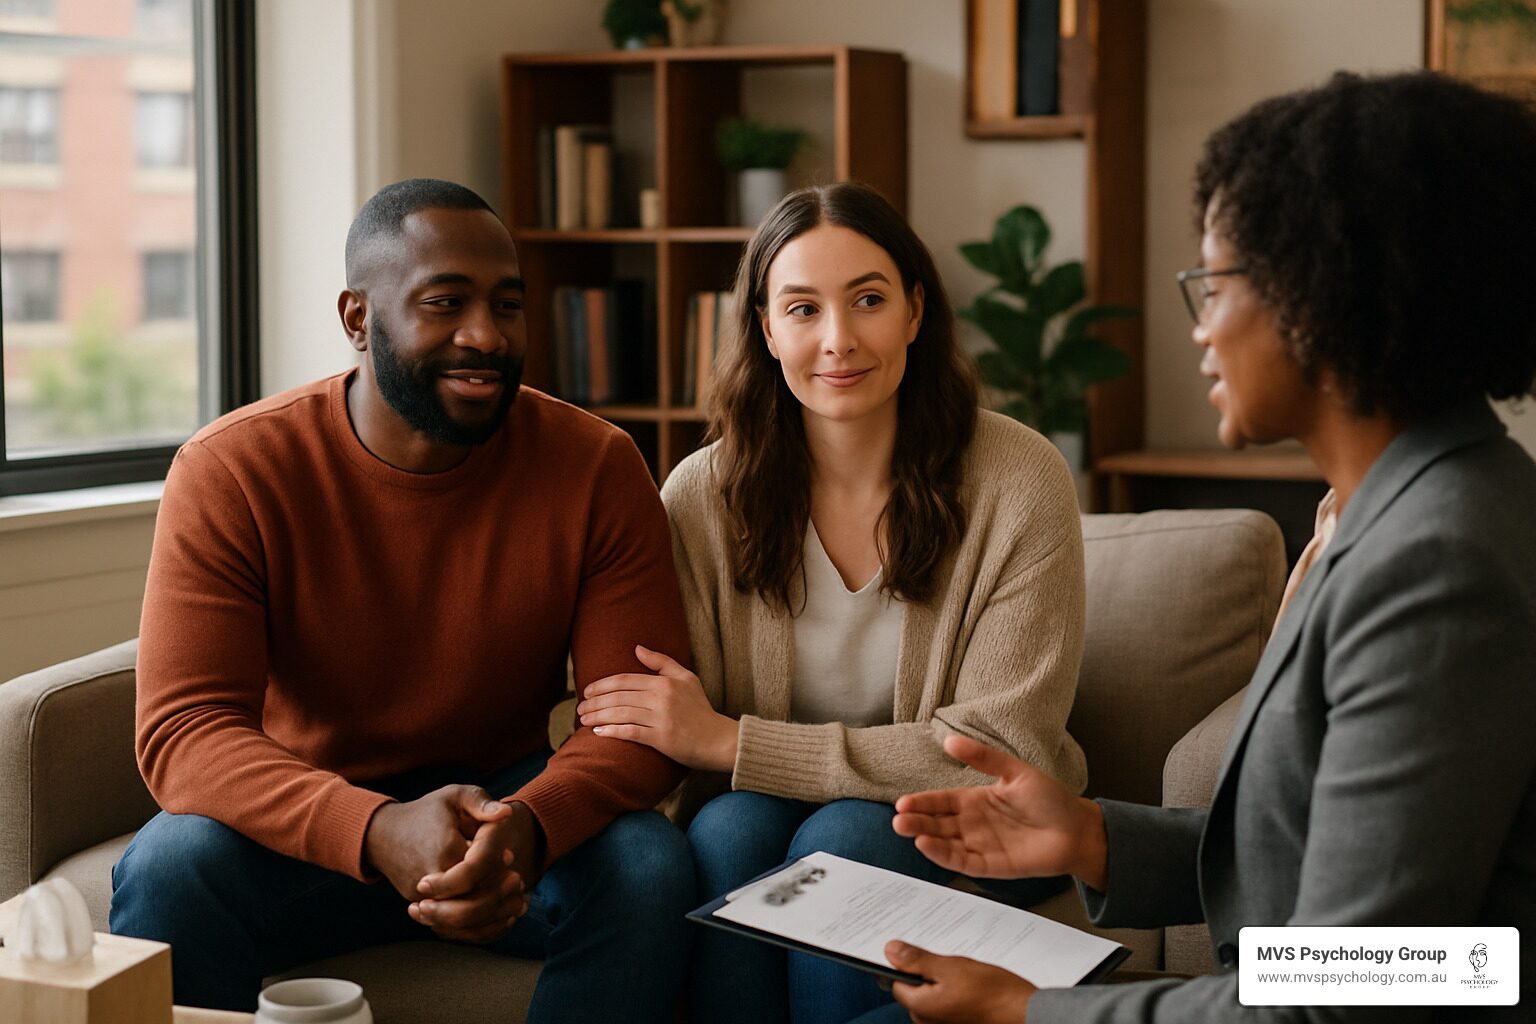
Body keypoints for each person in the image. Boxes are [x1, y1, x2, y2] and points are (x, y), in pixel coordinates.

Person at [862, 71, 1536, 1023]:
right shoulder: (1406, 510)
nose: (1199, 329)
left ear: (1319, 293)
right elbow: (1341, 873)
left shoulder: (1438, 564)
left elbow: (1367, 991)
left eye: (1213, 285)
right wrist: (1094, 839)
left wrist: (1026, 1012)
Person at [109, 179, 697, 1021]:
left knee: (647, 864)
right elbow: (185, 731)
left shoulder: (596, 465)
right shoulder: (232, 470)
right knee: (171, 864)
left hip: (500, 817)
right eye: (444, 303)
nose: (486, 335)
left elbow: (637, 719)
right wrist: (375, 827)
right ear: (358, 319)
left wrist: (529, 826)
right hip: (309, 821)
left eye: (507, 305)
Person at [570, 181, 1088, 1023]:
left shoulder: (1021, 480)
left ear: (916, 310)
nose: (839, 339)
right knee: (726, 831)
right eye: (803, 309)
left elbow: (997, 748)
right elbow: (664, 729)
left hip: (973, 823)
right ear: (766, 329)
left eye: (869, 300)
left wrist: (733, 741)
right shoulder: (700, 496)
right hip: (760, 816)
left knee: (846, 838)